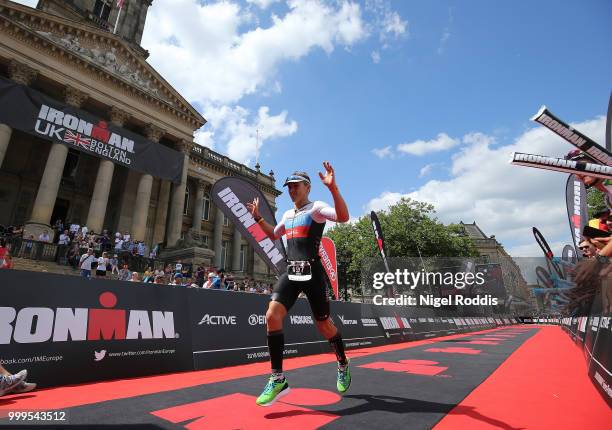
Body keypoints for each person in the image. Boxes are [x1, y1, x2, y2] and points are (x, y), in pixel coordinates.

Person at [247, 162, 351, 406]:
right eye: (289, 187)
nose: (292, 190)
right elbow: (274, 234)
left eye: (296, 186)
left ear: (308, 187)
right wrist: (258, 218)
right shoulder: (288, 214)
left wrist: (334, 189)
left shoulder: (317, 208)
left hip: (313, 273)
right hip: (291, 272)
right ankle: (278, 378)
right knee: (272, 315)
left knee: (324, 325)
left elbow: (343, 218)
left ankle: (343, 362)